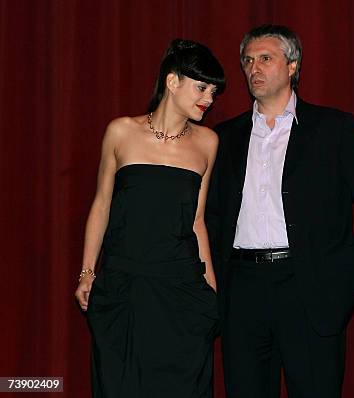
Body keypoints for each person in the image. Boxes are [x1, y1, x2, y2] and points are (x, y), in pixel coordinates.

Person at [205, 25, 354, 398]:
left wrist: (349, 267)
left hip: (309, 284)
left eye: (265, 58)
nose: (254, 68)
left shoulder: (333, 128)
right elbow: (212, 215)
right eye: (248, 61)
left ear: (293, 65)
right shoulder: (225, 136)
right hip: (243, 289)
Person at [74, 39, 225, 398]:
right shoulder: (121, 131)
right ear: (173, 82)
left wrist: (211, 292)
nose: (209, 98)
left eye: (214, 92)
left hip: (181, 292)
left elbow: (197, 221)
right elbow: (101, 205)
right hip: (124, 287)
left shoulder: (207, 142)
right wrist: (87, 271)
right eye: (201, 87)